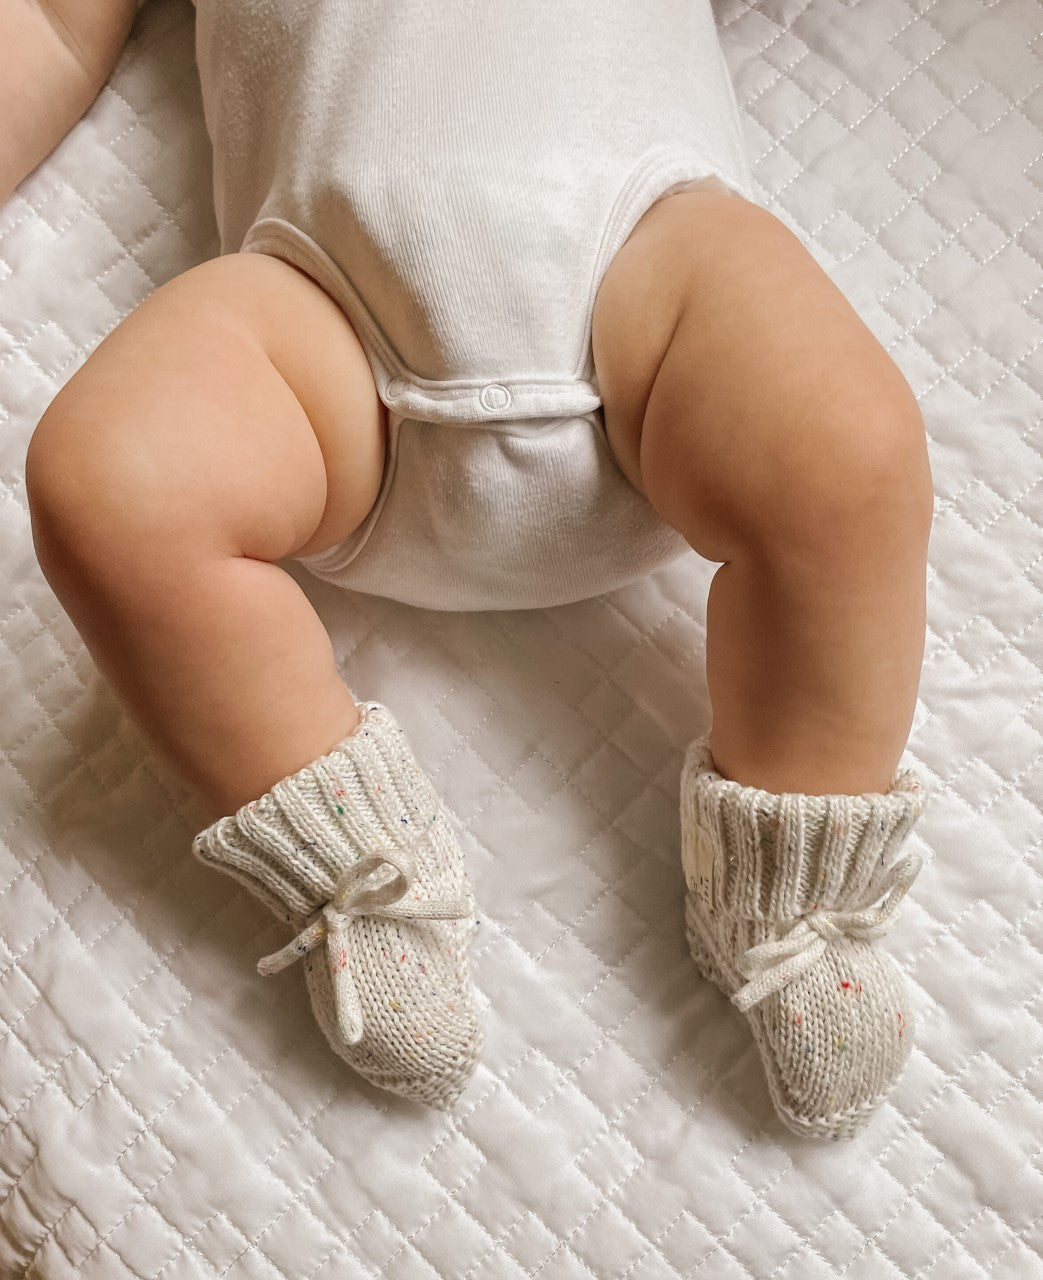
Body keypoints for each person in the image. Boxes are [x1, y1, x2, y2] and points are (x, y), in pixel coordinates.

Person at [10, 0, 933, 1138]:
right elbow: (49, 25)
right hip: (326, 336)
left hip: (648, 285)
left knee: (850, 458)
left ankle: (797, 885)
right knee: (107, 484)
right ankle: (359, 871)